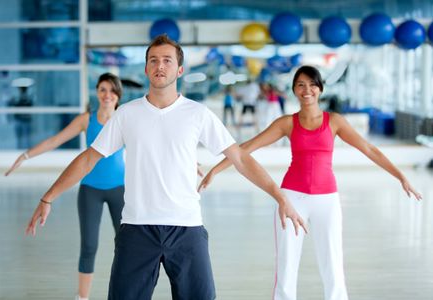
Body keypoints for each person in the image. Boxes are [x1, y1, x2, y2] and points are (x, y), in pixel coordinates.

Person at [24, 34, 306, 300]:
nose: (160, 65)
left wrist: (280, 196)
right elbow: (88, 159)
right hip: (136, 228)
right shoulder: (127, 114)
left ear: (179, 70)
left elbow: (241, 159)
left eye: (167, 60)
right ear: (146, 69)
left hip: (186, 228)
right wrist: (48, 196)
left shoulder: (198, 114)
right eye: (154, 60)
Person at [198, 65, 422, 300]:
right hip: (291, 199)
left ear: (320, 88)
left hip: (327, 200)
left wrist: (401, 176)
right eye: (301, 85)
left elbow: (369, 149)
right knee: (286, 266)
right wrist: (216, 170)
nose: (307, 90)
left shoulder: (334, 121)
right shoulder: (287, 123)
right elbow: (245, 148)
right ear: (294, 89)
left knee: (333, 266)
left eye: (312, 85)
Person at [7, 73, 125, 300]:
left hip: (119, 189)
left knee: (125, 246)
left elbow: (151, 145)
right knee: (89, 246)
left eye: (112, 90)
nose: (107, 94)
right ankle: (82, 297)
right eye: (102, 89)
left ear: (118, 94)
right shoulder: (86, 119)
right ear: (97, 93)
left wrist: (190, 161)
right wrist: (25, 155)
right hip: (90, 189)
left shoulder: (123, 118)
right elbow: (55, 140)